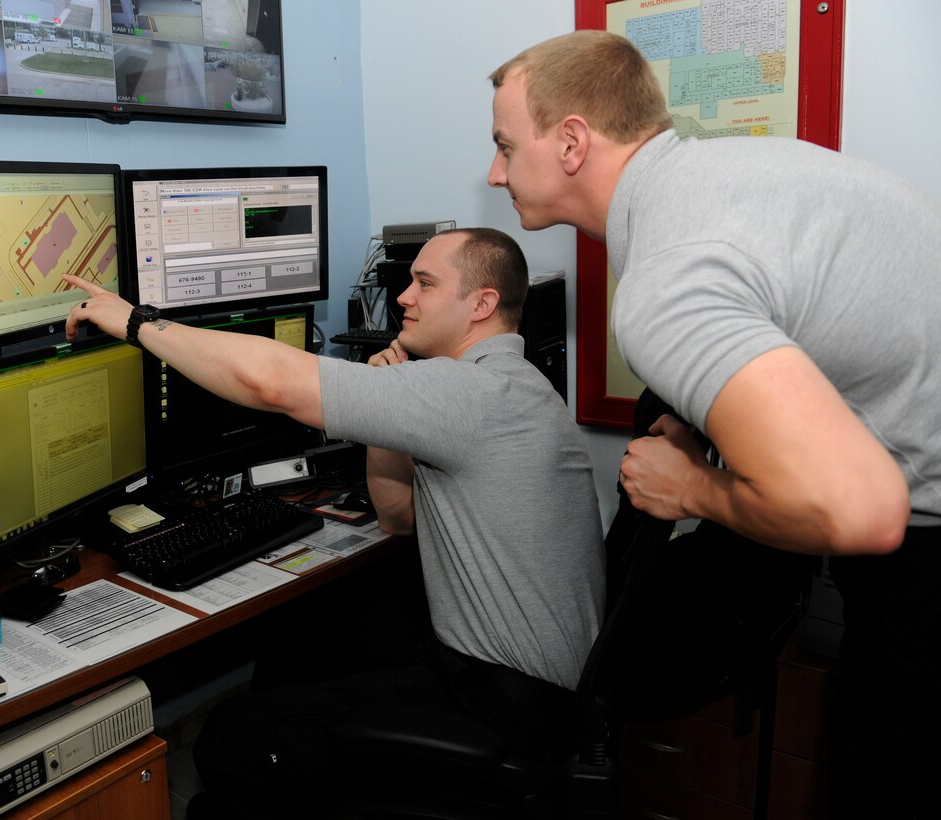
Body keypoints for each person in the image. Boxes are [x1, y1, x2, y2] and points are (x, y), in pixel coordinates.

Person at [487, 29, 941, 820]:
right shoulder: (732, 172)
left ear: (569, 143)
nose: (493, 173)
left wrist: (696, 488)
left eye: (501, 145)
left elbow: (863, 514)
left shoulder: (668, 273)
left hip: (923, 538)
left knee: (880, 782)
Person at [63, 227, 605, 818]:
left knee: (233, 735)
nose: (403, 296)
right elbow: (398, 519)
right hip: (527, 682)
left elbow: (268, 381)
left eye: (425, 283)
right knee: (306, 634)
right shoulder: (513, 385)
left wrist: (138, 323)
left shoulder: (469, 393)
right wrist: (387, 408)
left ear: (481, 304)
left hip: (502, 702)